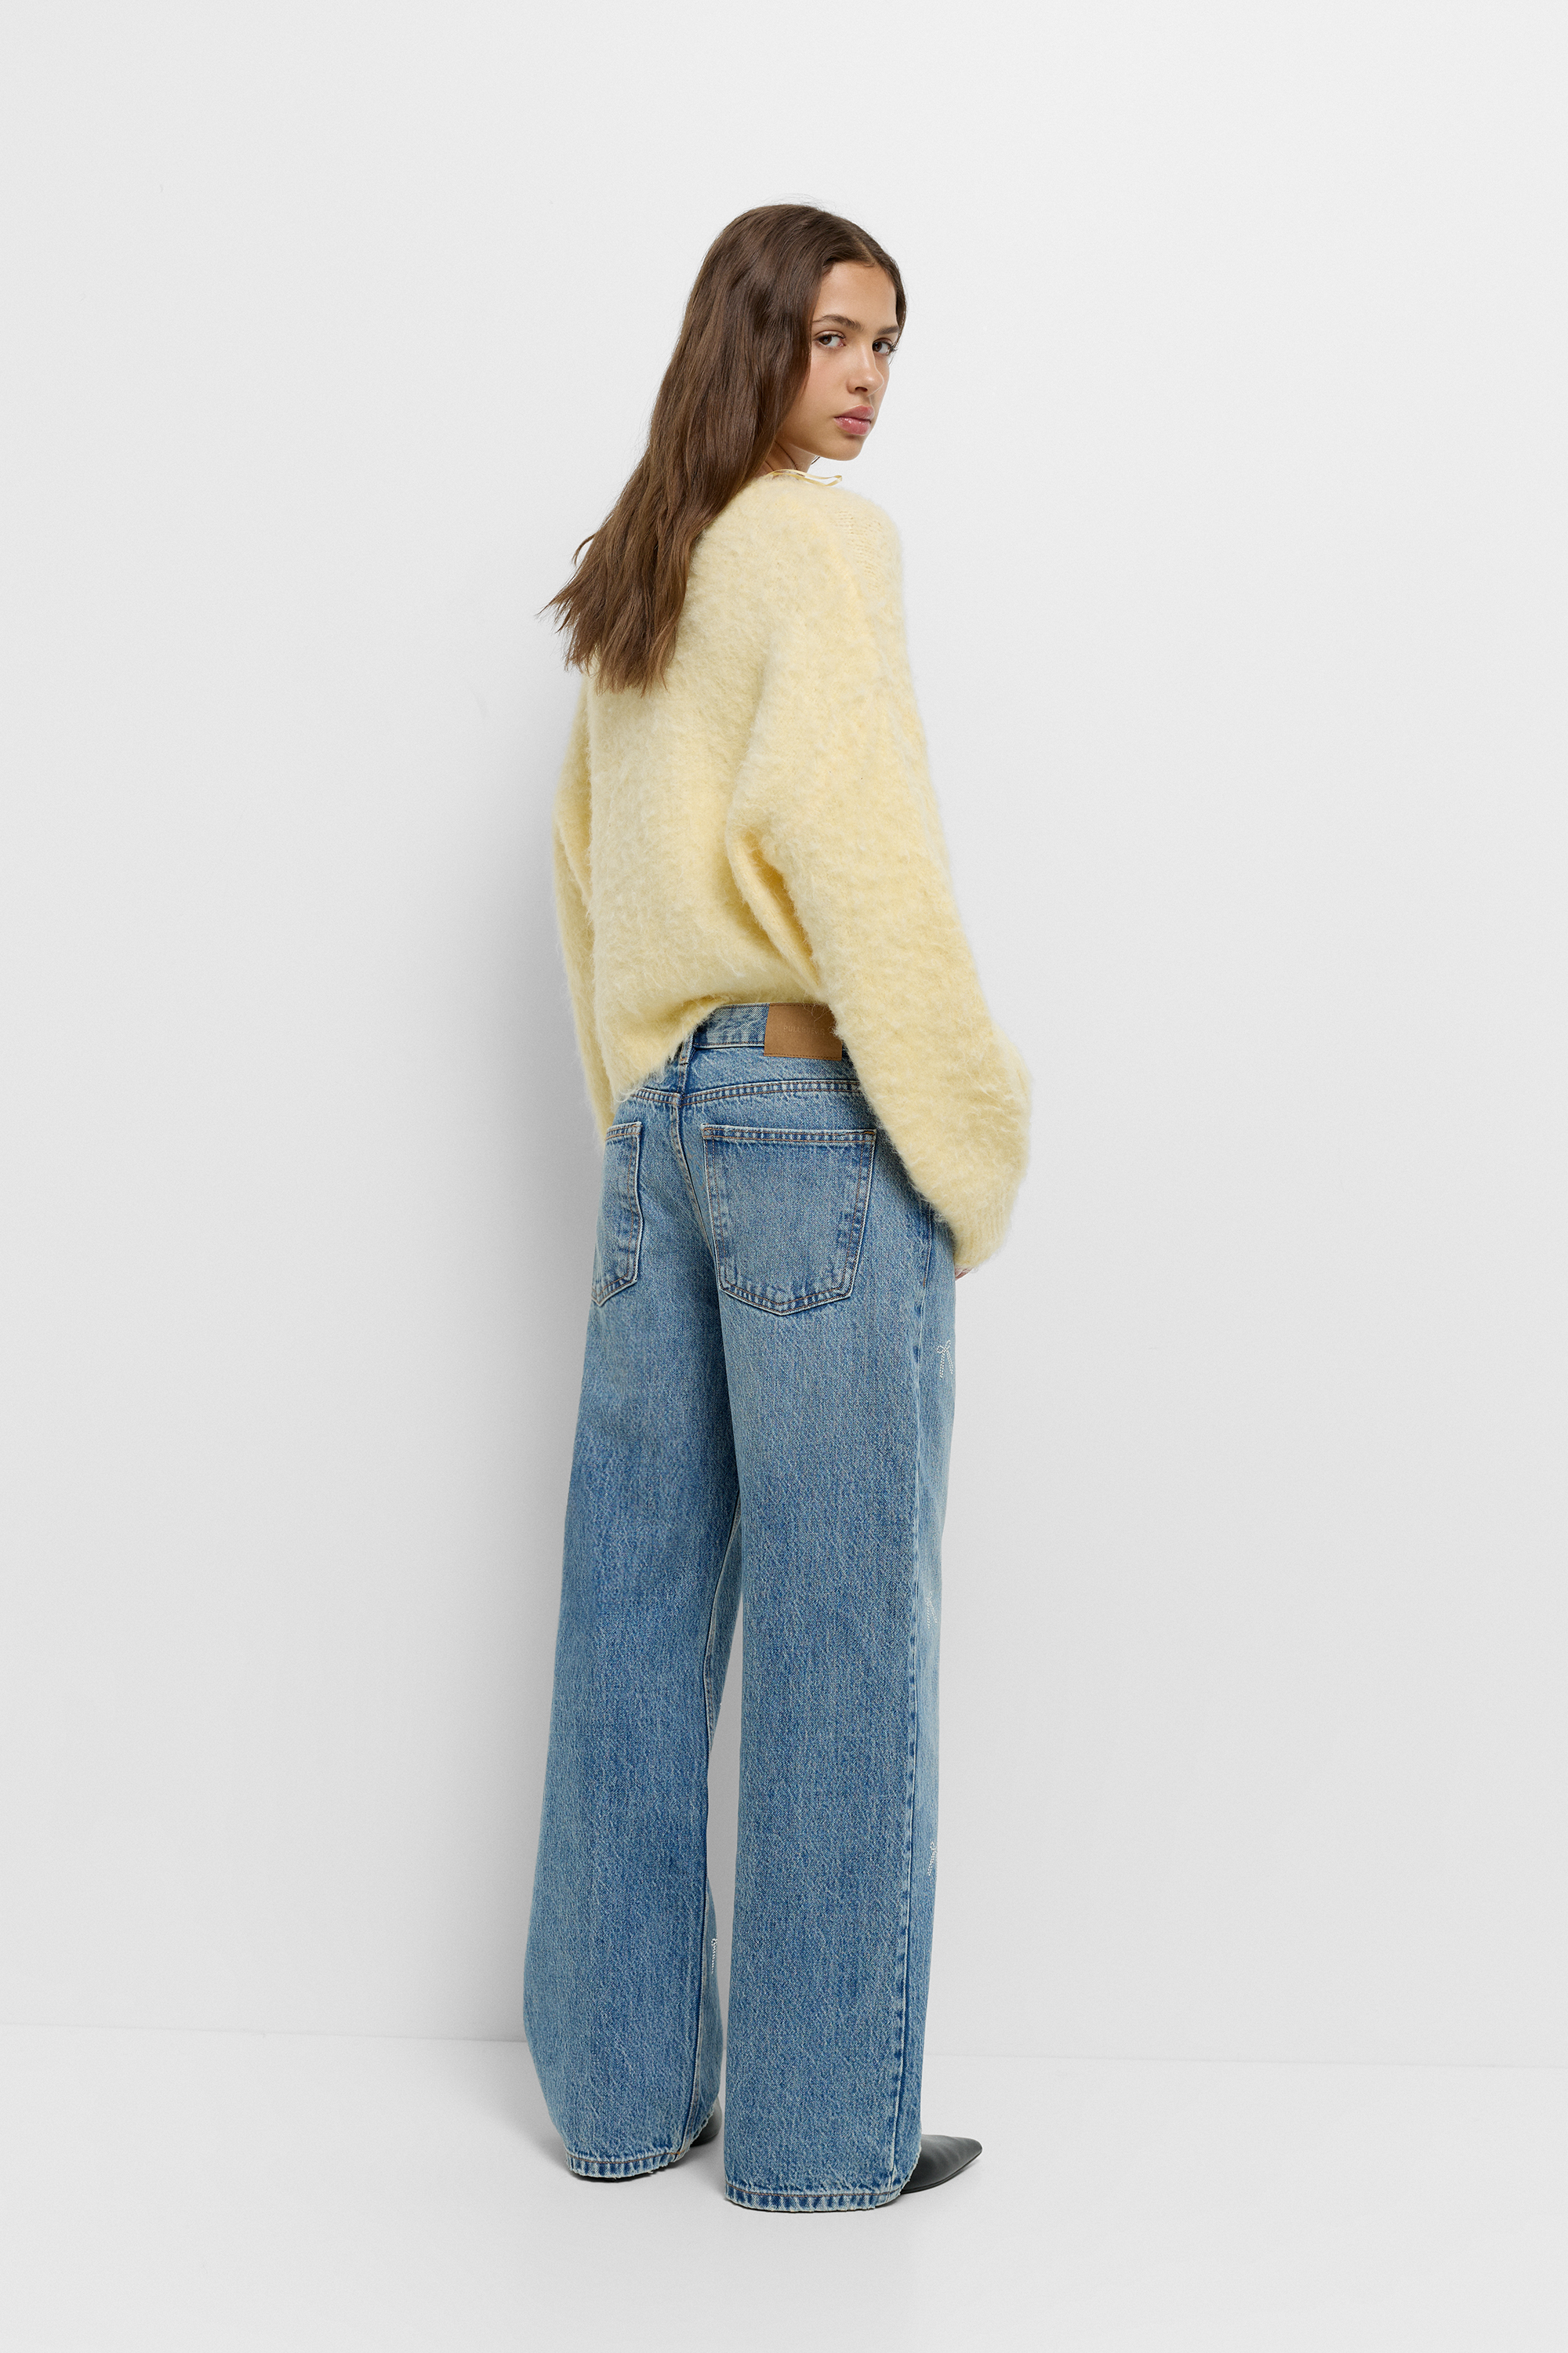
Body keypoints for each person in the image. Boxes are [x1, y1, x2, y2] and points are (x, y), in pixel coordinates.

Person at [523, 203, 1030, 2213]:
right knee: (843, 1625)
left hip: (660, 1121)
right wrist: (967, 1132)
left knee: (632, 1614)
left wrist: (645, 1107)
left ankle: (620, 2099)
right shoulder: (817, 546)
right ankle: (820, 2141)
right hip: (815, 1116)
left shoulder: (642, 570)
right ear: (752, 337)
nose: (868, 379)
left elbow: (583, 871)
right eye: (834, 336)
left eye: (888, 344)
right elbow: (857, 843)